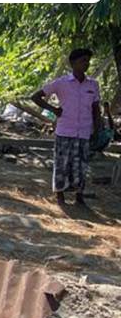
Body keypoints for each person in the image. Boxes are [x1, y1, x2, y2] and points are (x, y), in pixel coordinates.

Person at [32, 48, 103, 206]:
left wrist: (97, 129)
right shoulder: (61, 83)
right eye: (82, 61)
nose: (86, 64)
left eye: (87, 61)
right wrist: (54, 110)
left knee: (81, 164)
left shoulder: (93, 85)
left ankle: (79, 195)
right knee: (62, 163)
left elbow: (96, 108)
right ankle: (60, 195)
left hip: (84, 130)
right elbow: (35, 97)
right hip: (65, 130)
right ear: (73, 63)